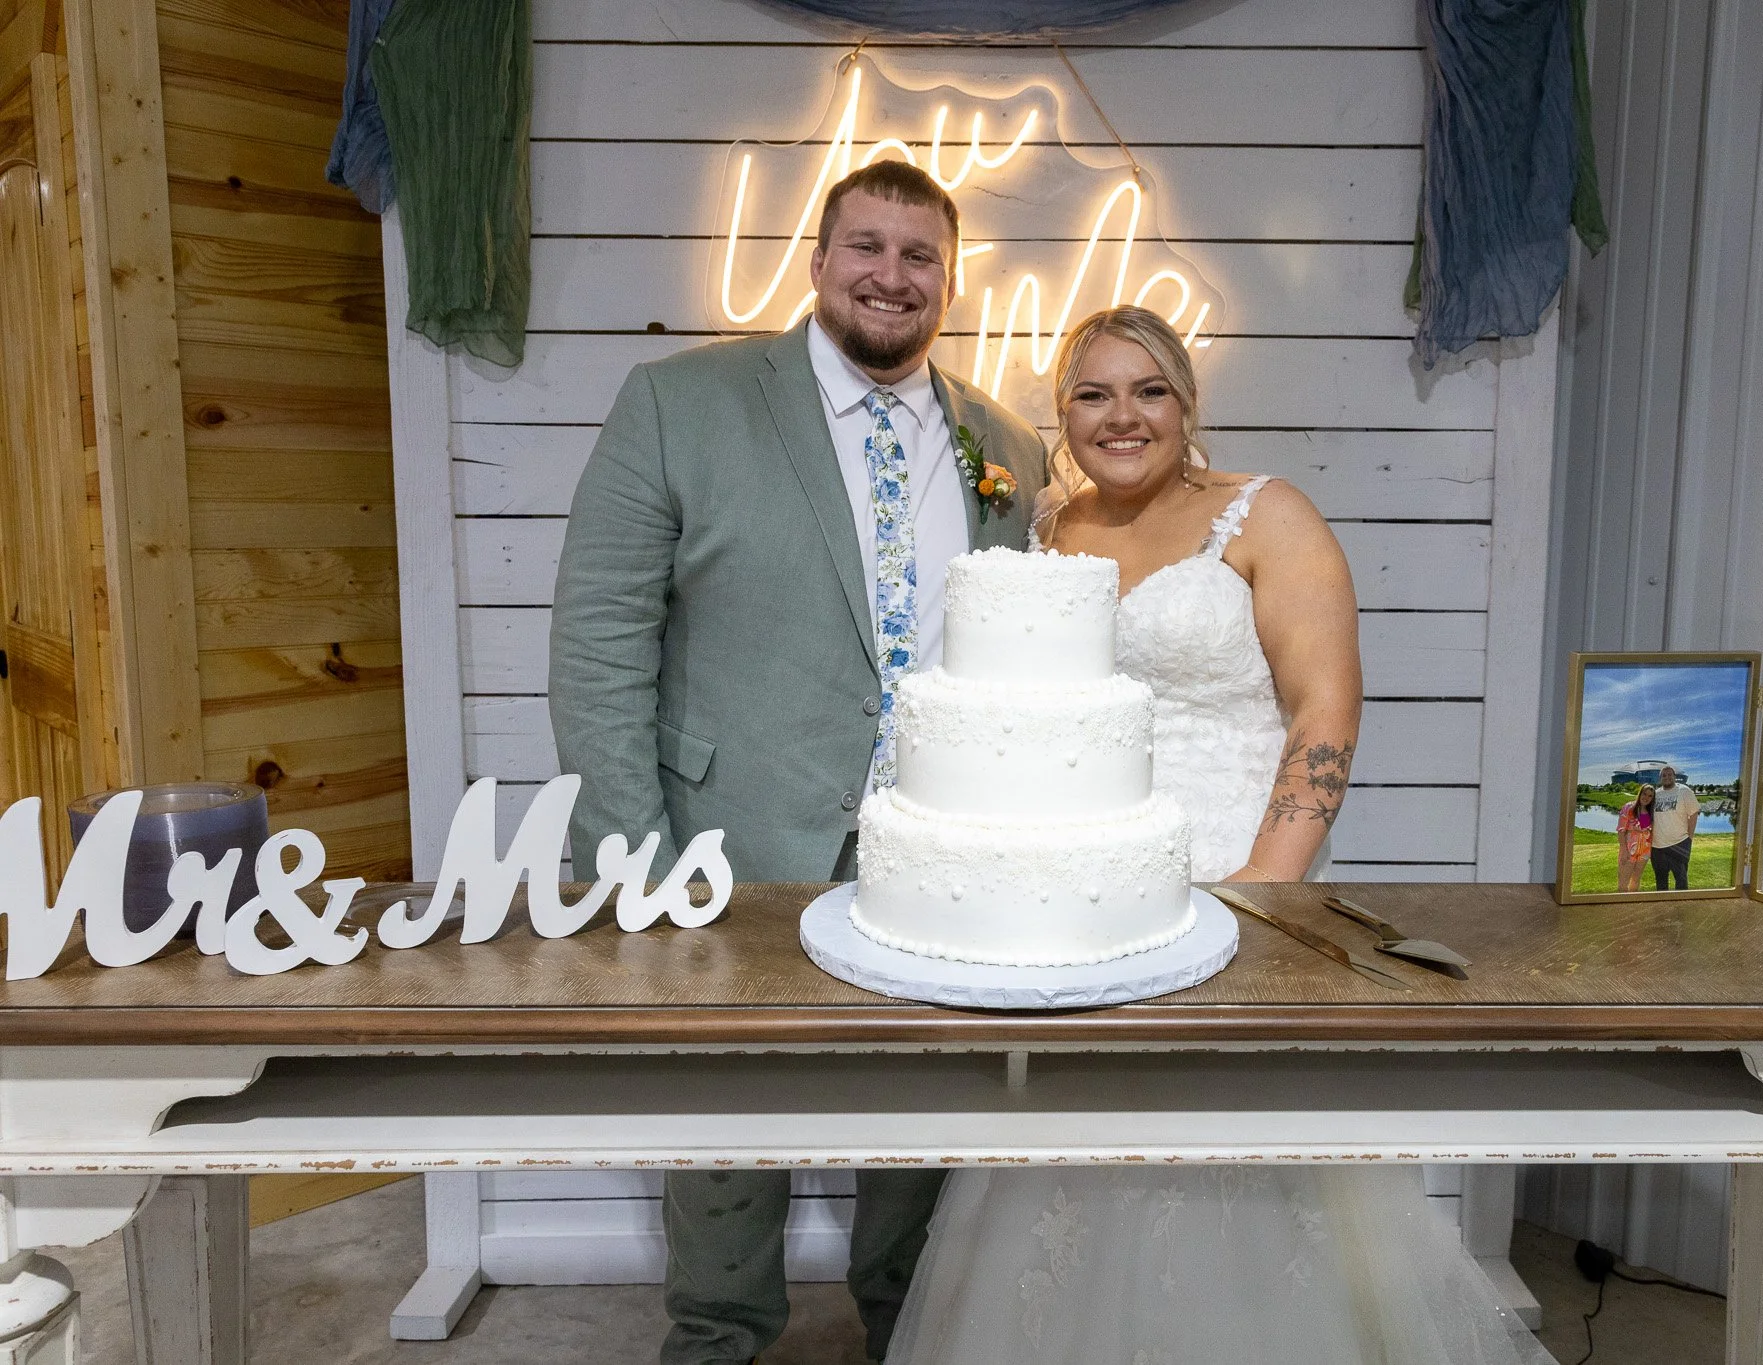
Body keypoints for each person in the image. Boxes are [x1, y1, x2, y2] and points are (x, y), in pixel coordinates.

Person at [883, 307, 1551, 1365]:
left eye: (1148, 390)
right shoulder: (1050, 529)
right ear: (1062, 414)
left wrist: (1261, 890)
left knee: (1235, 1150)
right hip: (1094, 901)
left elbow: (1323, 714)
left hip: (1240, 881)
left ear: (1187, 406)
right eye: (1092, 393)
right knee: (1080, 1162)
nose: (1122, 416)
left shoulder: (1265, 516)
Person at [549, 161, 1047, 1365]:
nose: (890, 275)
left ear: (947, 278)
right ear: (818, 262)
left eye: (917, 256)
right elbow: (597, 638)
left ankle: (910, 1330)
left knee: (929, 1123)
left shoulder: (1006, 447)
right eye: (865, 248)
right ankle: (717, 1338)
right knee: (724, 1130)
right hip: (721, 837)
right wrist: (637, 861)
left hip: (938, 852)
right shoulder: (680, 400)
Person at [1649, 764, 1700, 890]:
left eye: (1670, 774)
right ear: (1660, 778)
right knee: (1660, 881)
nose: (1667, 777)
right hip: (1657, 846)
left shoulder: (1684, 791)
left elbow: (1693, 814)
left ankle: (1681, 908)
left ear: (1674, 776)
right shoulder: (1655, 794)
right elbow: (1647, 814)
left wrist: (1690, 837)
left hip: (1679, 843)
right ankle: (1663, 908)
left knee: (1681, 880)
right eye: (1664, 775)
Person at [1617, 783, 1655, 891]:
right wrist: (1624, 850)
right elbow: (1621, 830)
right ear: (1640, 793)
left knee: (1636, 879)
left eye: (1650, 796)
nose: (1646, 797)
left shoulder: (1648, 812)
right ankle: (1621, 905)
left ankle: (1633, 904)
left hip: (1644, 852)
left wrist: (1651, 851)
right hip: (1629, 850)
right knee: (1623, 881)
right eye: (1644, 794)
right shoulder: (1629, 808)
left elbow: (1645, 832)